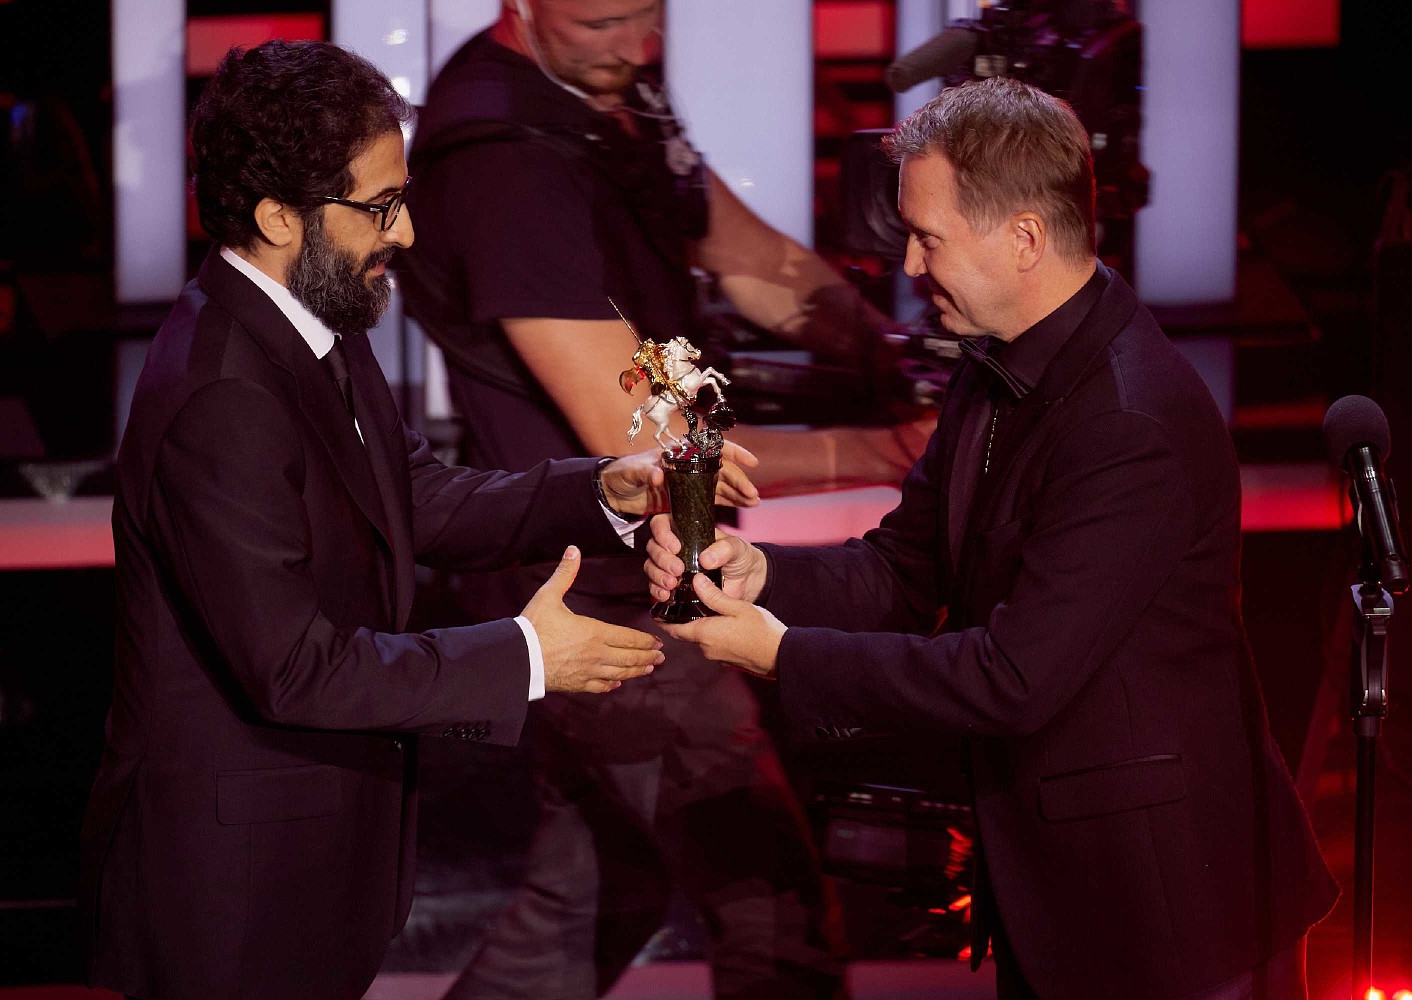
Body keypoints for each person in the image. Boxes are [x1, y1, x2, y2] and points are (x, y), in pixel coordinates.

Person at [78, 40, 757, 1000]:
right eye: (381, 206)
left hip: (305, 854)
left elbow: (416, 499)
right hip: (230, 889)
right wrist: (525, 657)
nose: (406, 231)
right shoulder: (222, 394)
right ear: (279, 216)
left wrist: (604, 487)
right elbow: (295, 668)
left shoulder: (313, 322)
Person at [646, 77, 1339, 999]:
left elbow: (1013, 679)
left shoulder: (1130, 423)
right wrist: (761, 575)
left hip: (1166, 907)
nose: (910, 267)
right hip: (1063, 884)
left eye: (928, 238)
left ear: (1024, 238)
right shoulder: (995, 365)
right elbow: (903, 569)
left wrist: (781, 655)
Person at [395, 2, 937, 998]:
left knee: (598, 891)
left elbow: (751, 257)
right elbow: (652, 447)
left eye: (649, 12)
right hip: (600, 596)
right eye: (604, 20)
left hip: (651, 573)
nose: (637, 44)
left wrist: (889, 355)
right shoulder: (502, 166)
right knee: (768, 899)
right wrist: (897, 451)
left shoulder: (603, 83)